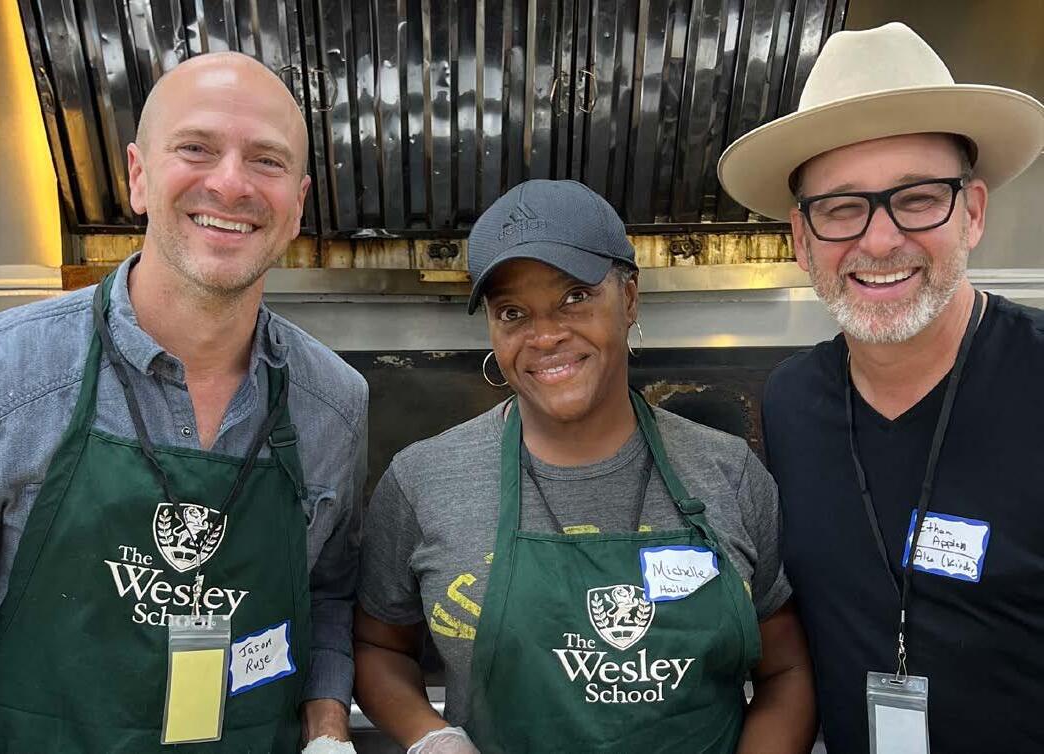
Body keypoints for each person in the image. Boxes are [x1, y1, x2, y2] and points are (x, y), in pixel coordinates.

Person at [353, 179, 816, 753]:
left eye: (575, 296)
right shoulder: (424, 480)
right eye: (513, 312)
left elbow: (786, 670)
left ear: (629, 298)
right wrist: (432, 739)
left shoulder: (728, 473)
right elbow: (378, 647)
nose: (546, 335)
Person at [0, 52, 367, 752]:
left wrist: (326, 732)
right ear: (138, 176)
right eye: (196, 148)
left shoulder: (335, 404)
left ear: (297, 205)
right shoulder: (12, 369)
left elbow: (326, 597)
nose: (229, 183)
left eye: (266, 160)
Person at [718, 22, 1044, 754]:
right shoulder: (790, 401)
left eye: (918, 198)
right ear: (801, 240)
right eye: (841, 208)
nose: (878, 240)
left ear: (972, 213)